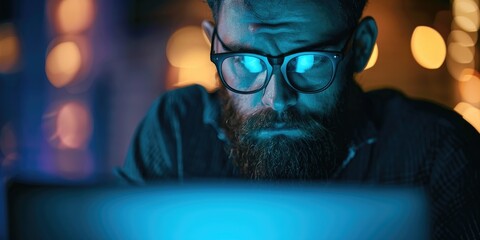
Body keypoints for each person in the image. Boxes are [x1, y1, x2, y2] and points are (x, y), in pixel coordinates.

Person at [117, 0, 480, 238]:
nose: (277, 100)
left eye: (308, 62)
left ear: (361, 49)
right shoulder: (177, 132)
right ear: (213, 46)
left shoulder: (436, 151)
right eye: (245, 62)